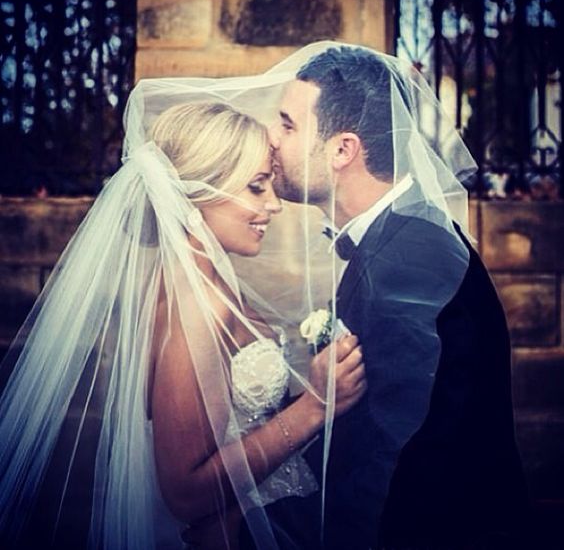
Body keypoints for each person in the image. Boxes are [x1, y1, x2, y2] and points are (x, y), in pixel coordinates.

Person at [0, 97, 366, 550]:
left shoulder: (213, 283)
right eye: (256, 186)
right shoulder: (194, 309)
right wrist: (314, 407)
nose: (273, 205)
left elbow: (240, 418)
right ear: (196, 194)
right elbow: (186, 492)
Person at [257, 43, 529, 549]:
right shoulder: (397, 239)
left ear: (343, 150)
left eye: (289, 124)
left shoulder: (410, 258)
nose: (271, 138)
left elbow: (400, 454)